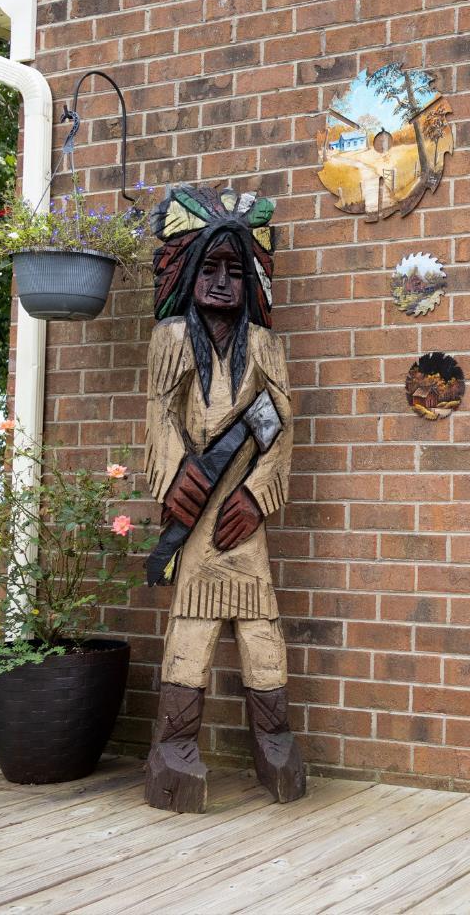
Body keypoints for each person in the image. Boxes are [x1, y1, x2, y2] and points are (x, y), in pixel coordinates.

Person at [142, 185, 303, 812]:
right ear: (185, 273)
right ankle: (175, 746)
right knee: (192, 627)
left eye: (234, 270)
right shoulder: (172, 341)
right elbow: (157, 415)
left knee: (262, 629)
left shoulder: (264, 347)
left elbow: (282, 428)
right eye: (208, 267)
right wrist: (174, 471)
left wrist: (260, 494)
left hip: (241, 517)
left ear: (253, 282)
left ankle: (274, 739)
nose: (220, 282)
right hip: (194, 508)